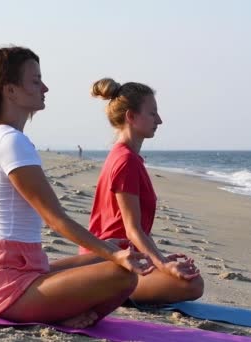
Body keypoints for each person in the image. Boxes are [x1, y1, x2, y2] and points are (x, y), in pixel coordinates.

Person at [0, 47, 154, 329]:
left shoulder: (3, 137)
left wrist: (107, 249)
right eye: (35, 80)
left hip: (21, 267)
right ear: (11, 91)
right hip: (6, 284)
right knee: (124, 275)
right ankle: (59, 316)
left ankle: (61, 313)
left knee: (110, 251)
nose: (45, 87)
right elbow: (55, 219)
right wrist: (113, 255)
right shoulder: (11, 142)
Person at [80, 78, 204, 304]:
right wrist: (163, 264)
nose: (159, 120)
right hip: (110, 262)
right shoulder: (126, 161)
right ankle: (112, 290)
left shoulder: (126, 157)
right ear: (131, 116)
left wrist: (159, 257)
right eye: (152, 113)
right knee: (193, 285)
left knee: (188, 278)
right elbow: (132, 230)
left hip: (120, 257)